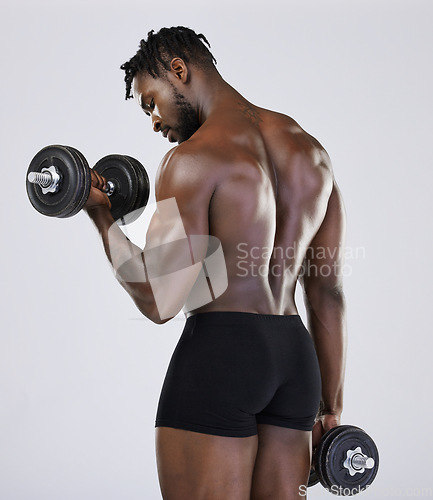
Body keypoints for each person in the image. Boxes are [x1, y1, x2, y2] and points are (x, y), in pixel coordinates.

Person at [85, 26, 347, 500]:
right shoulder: (313, 153)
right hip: (295, 363)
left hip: (223, 358)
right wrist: (331, 408)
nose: (153, 121)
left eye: (150, 102)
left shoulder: (190, 160)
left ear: (179, 72)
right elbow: (326, 293)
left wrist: (102, 219)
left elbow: (159, 299)